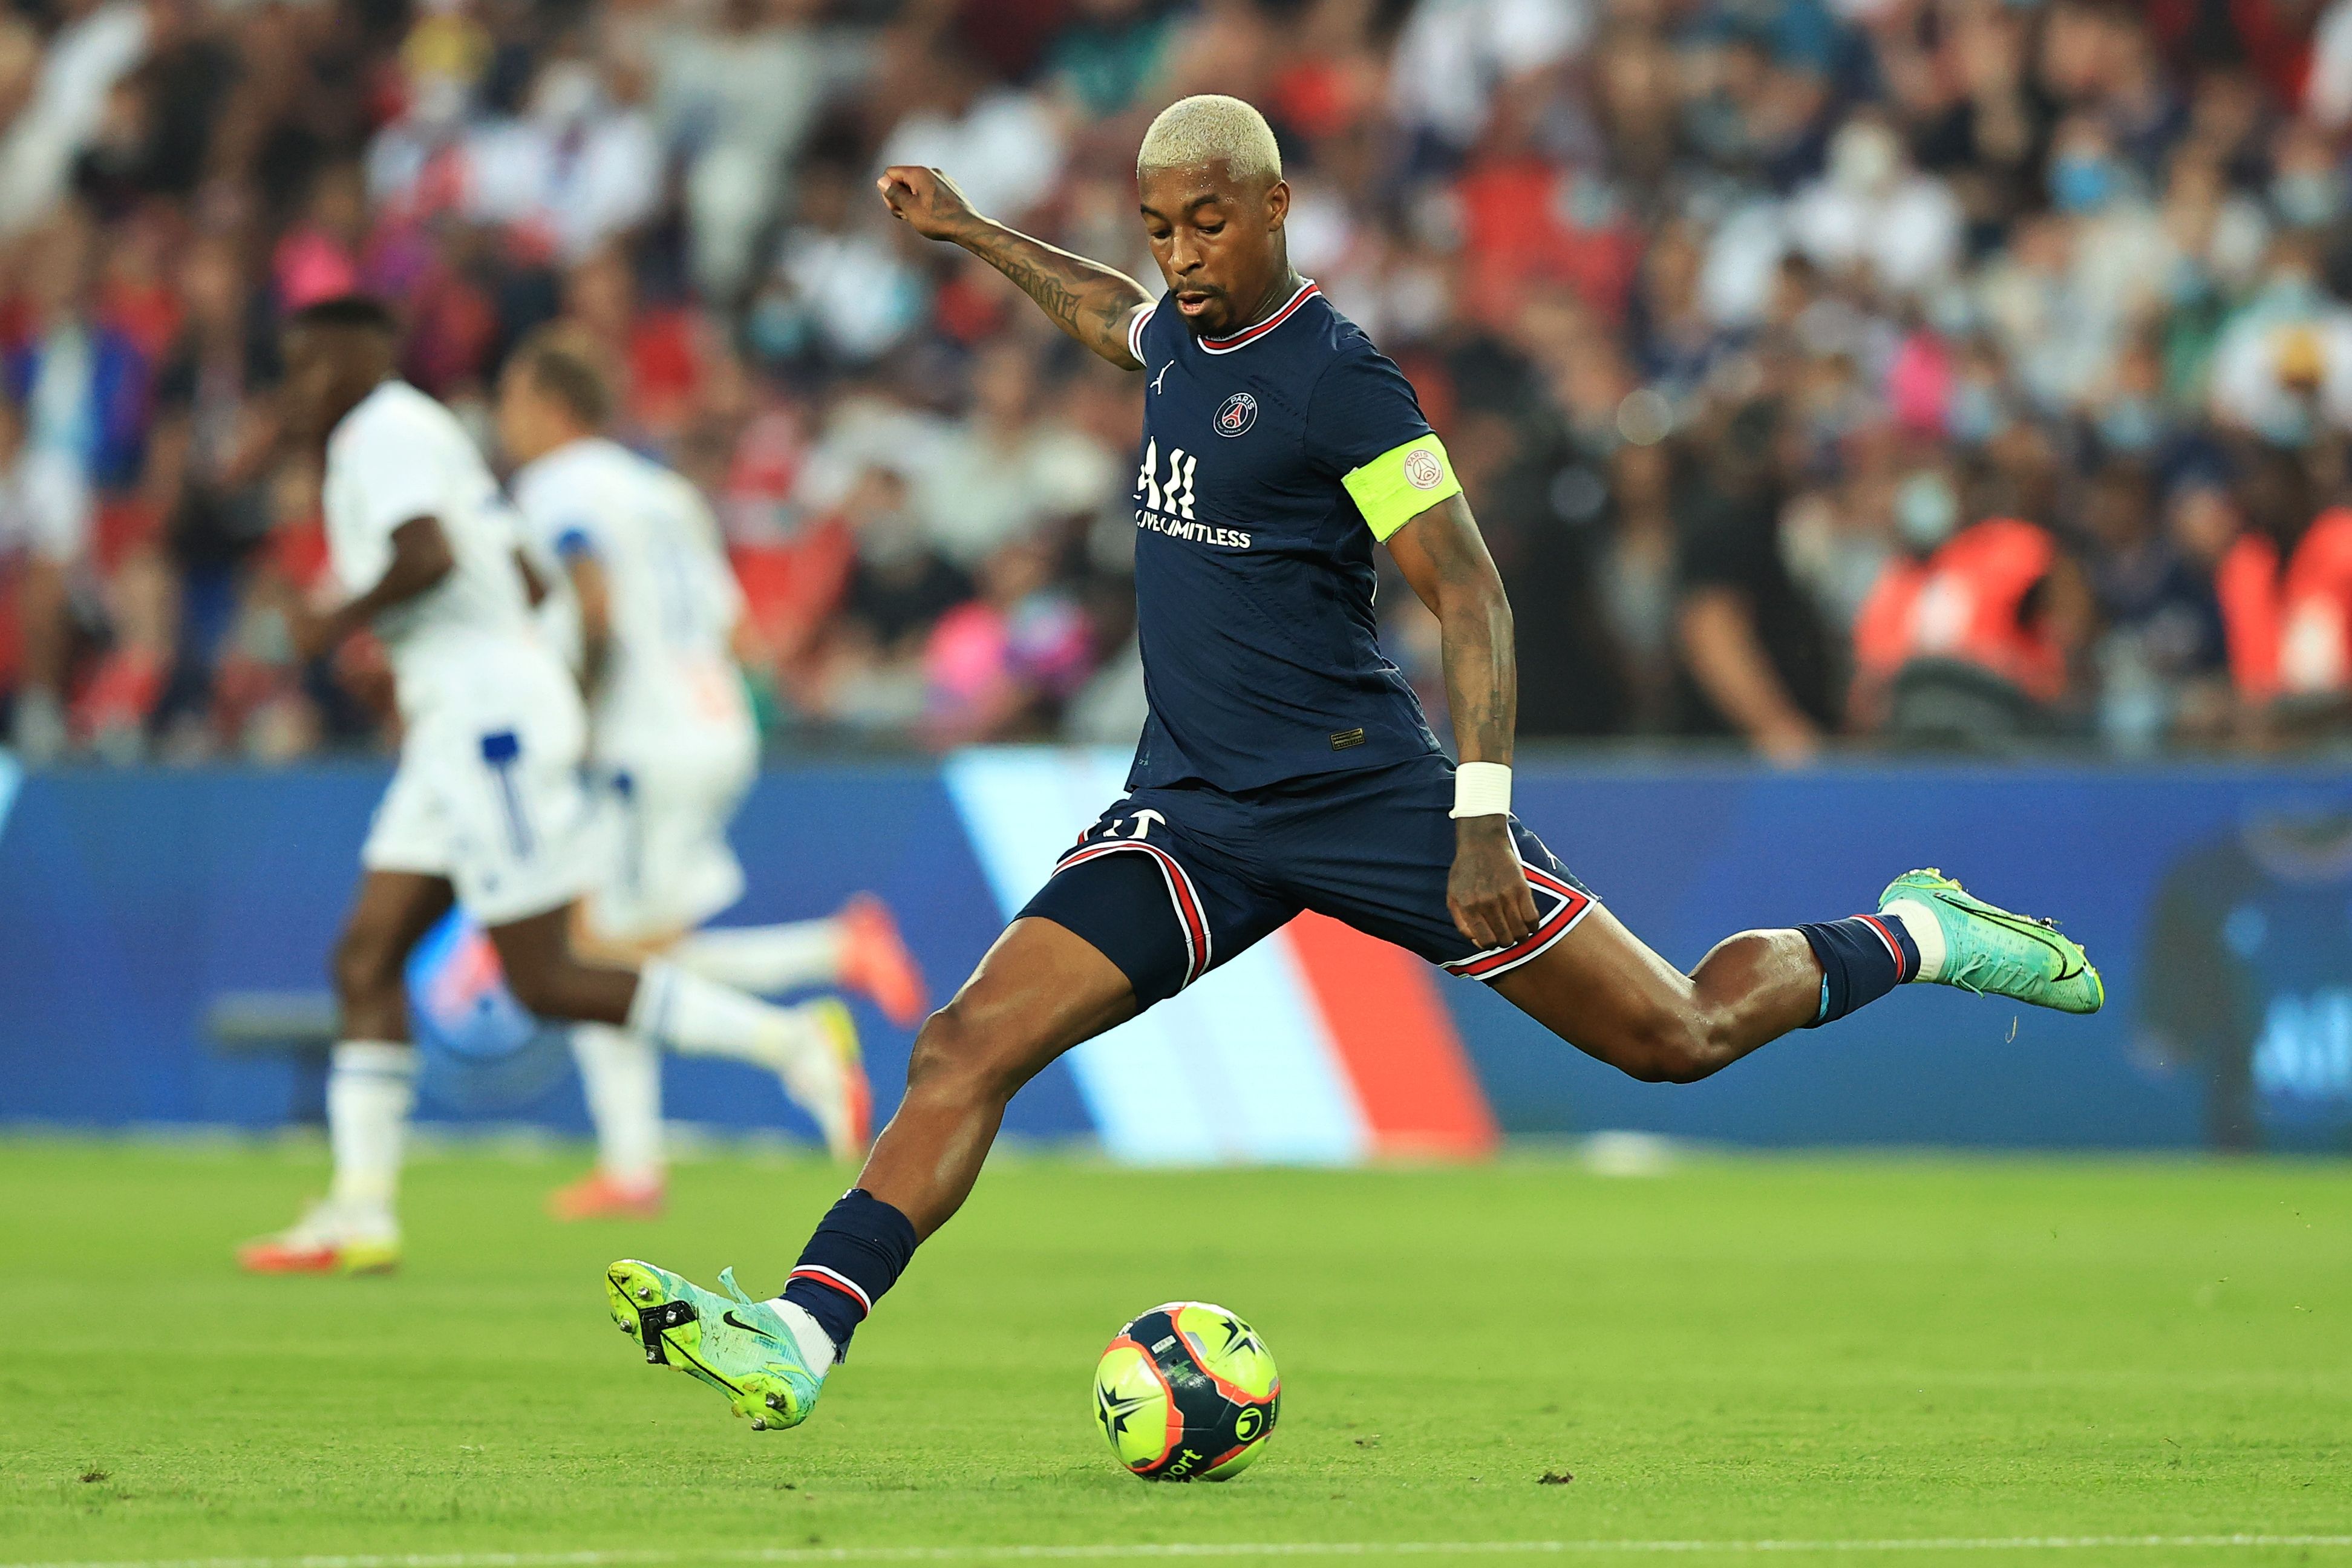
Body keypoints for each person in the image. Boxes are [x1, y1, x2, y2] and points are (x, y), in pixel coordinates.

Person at [598, 97, 2105, 1432]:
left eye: (1206, 222)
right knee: (960, 1048)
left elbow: (1474, 594)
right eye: (1160, 228)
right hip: (1191, 810)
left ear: (1273, 211)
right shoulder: (1175, 336)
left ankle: (1917, 931)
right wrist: (974, 231)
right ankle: (799, 1337)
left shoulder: (1341, 382)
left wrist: (1482, 821)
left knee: (1680, 1036)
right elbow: (1103, 310)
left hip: (1363, 796)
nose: (1182, 254)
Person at [237, 296, 867, 1275]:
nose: (300, 387)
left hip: (493, 727)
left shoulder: (381, 433)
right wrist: (423, 645)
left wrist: (341, 621)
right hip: (477, 716)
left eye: (317, 364)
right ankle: (361, 1211)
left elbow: (430, 555)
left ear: (367, 358)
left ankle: (788, 1045)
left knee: (550, 973)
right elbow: (521, 579)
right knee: (367, 956)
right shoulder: (441, 440)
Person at [495, 325, 927, 1221]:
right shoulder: (664, 492)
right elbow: (741, 635)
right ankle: (635, 1163)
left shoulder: (555, 487)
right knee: (614, 948)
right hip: (715, 722)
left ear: (549, 405)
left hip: (637, 740)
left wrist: (572, 720)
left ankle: (798, 1025)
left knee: (588, 956)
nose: (507, 424)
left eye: (512, 403)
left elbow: (595, 603)